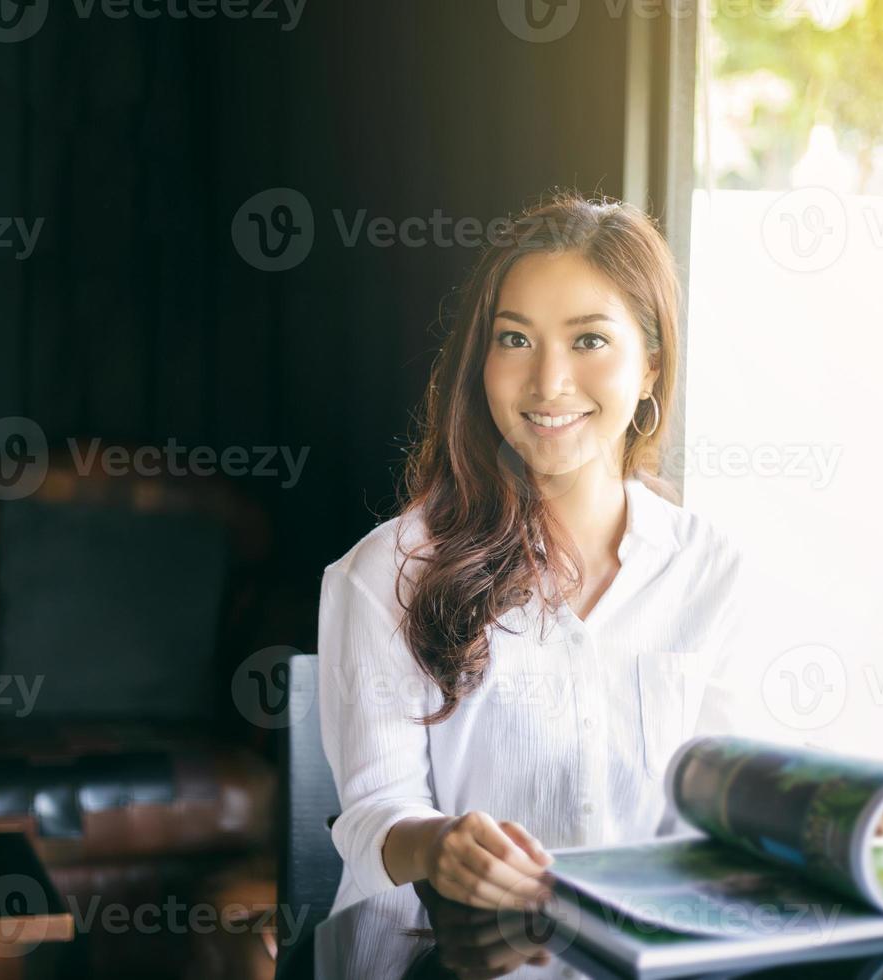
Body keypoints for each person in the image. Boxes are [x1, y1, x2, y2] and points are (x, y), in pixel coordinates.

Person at [317, 190, 846, 918]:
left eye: (589, 340)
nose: (549, 382)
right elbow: (376, 813)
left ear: (652, 366)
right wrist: (440, 847)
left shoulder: (710, 572)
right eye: (515, 339)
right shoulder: (389, 572)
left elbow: (733, 818)